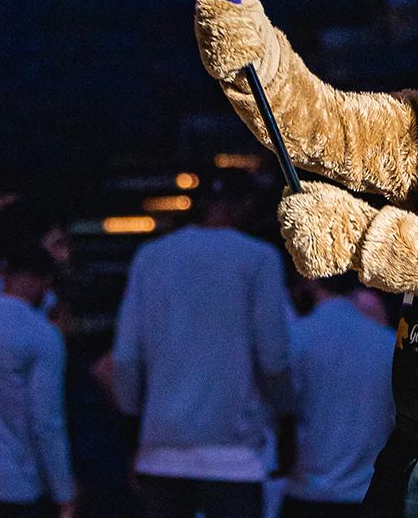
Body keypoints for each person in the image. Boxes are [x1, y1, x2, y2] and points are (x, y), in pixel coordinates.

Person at [111, 168, 293, 518]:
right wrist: (285, 416)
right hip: (234, 452)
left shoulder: (150, 256)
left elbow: (126, 357)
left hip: (162, 445)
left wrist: (133, 421)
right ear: (246, 205)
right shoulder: (259, 258)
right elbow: (273, 358)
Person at [0, 241, 76, 518]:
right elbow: (46, 422)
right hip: (19, 486)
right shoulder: (42, 334)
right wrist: (63, 492)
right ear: (42, 280)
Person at [281, 273, 394, 518]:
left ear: (310, 279)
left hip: (307, 492)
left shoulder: (296, 337)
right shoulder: (388, 343)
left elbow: (281, 408)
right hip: (365, 494)